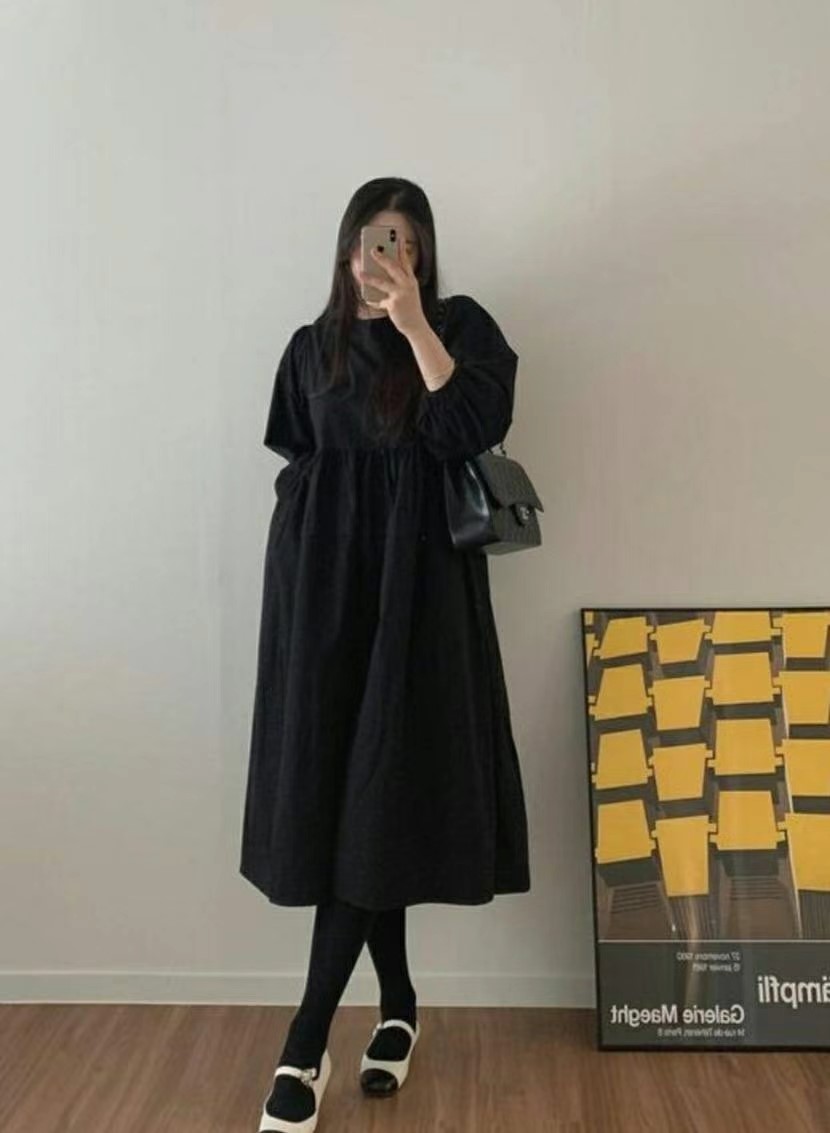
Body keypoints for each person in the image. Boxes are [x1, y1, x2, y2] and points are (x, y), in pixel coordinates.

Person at [240, 177, 531, 1132]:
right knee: (354, 800)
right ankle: (399, 1001)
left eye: (404, 240)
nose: (387, 255)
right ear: (347, 247)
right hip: (323, 600)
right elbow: (298, 455)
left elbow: (469, 429)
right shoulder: (309, 346)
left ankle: (304, 1043)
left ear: (424, 251)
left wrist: (414, 328)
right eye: (374, 238)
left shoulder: (459, 327)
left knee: (381, 791)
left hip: (421, 597)